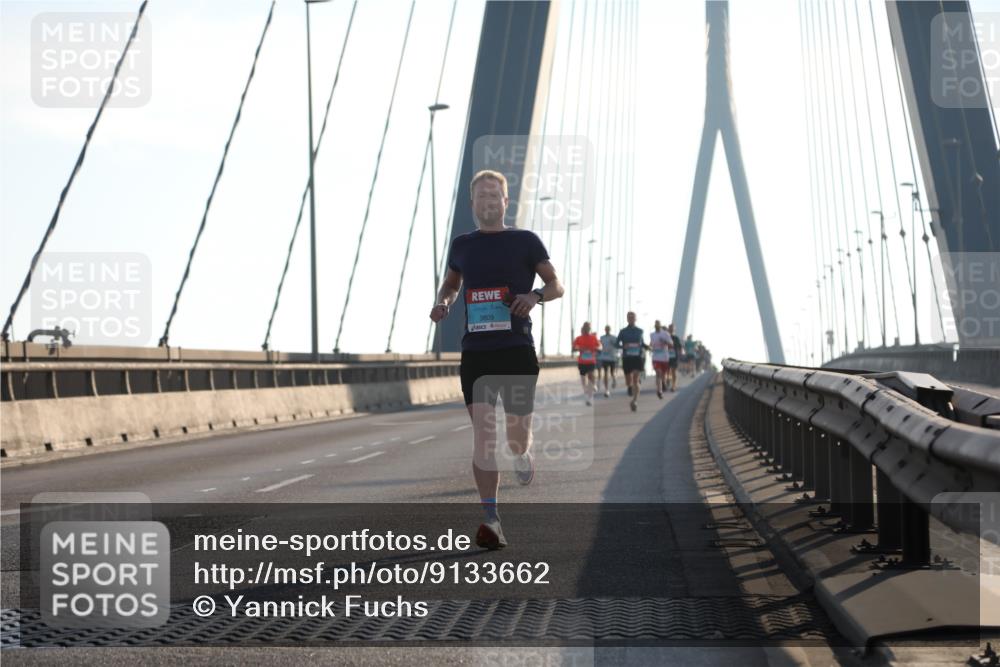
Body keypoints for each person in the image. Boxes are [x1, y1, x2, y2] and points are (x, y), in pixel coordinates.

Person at [429, 169, 564, 550]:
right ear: (472, 203)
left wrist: (535, 296)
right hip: (476, 352)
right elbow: (452, 284)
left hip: (517, 349)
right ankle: (491, 518)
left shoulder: (525, 241)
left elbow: (557, 284)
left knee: (515, 436)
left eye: (495, 195)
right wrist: (444, 302)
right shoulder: (462, 245)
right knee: (484, 436)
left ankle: (523, 453)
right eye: (481, 195)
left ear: (506, 201)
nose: (488, 200)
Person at [616, 312, 647, 412]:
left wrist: (648, 347)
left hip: (637, 357)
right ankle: (629, 387)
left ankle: (635, 401)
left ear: (635, 319)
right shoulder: (623, 331)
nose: (631, 319)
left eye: (633, 317)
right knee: (628, 381)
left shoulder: (640, 331)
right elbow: (616, 344)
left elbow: (642, 344)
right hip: (627, 357)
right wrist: (622, 346)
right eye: (629, 317)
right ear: (627, 319)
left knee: (636, 379)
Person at [572, 322, 601, 406]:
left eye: (588, 327)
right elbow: (573, 348)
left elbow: (600, 346)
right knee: (583, 379)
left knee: (591, 376)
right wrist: (579, 348)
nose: (587, 329)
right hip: (582, 362)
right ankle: (586, 393)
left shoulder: (593, 337)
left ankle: (590, 397)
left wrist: (597, 348)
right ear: (583, 328)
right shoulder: (579, 338)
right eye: (585, 327)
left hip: (591, 361)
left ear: (590, 328)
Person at [649, 320, 672, 399]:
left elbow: (671, 344)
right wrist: (650, 347)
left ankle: (664, 383)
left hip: (664, 358)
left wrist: (665, 341)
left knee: (663, 375)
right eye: (655, 325)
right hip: (656, 357)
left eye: (658, 325)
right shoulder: (652, 334)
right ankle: (659, 391)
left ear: (660, 326)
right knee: (658, 373)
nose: (656, 326)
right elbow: (651, 344)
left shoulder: (665, 334)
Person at [598, 324, 619, 397]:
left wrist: (614, 344)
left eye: (608, 329)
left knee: (612, 372)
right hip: (604, 357)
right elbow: (599, 345)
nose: (607, 330)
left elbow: (617, 345)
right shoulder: (602, 337)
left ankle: (614, 380)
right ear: (605, 329)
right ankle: (606, 390)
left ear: (610, 329)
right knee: (605, 372)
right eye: (606, 329)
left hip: (612, 357)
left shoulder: (614, 337)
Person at [667, 323, 683, 392]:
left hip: (674, 356)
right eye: (670, 328)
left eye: (672, 328)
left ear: (674, 329)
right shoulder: (665, 337)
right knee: (667, 371)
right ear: (668, 329)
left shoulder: (676, 338)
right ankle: (668, 379)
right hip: (666, 356)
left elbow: (680, 347)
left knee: (673, 371)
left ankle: (673, 385)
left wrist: (680, 353)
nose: (671, 329)